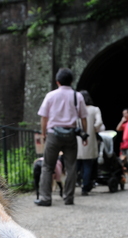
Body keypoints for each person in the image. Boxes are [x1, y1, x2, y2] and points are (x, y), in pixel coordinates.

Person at [35, 68, 88, 206]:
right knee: (71, 167)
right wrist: (84, 135)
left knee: (47, 166)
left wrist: (44, 134)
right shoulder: (78, 96)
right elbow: (83, 118)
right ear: (71, 81)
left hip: (53, 134)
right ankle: (68, 198)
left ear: (57, 81)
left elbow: (44, 117)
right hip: (71, 135)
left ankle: (45, 198)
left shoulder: (51, 95)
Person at [76, 90, 103, 196]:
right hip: (89, 140)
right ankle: (85, 188)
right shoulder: (95, 109)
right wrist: (93, 129)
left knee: (75, 166)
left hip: (77, 140)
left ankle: (68, 186)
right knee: (87, 165)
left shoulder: (76, 110)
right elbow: (99, 122)